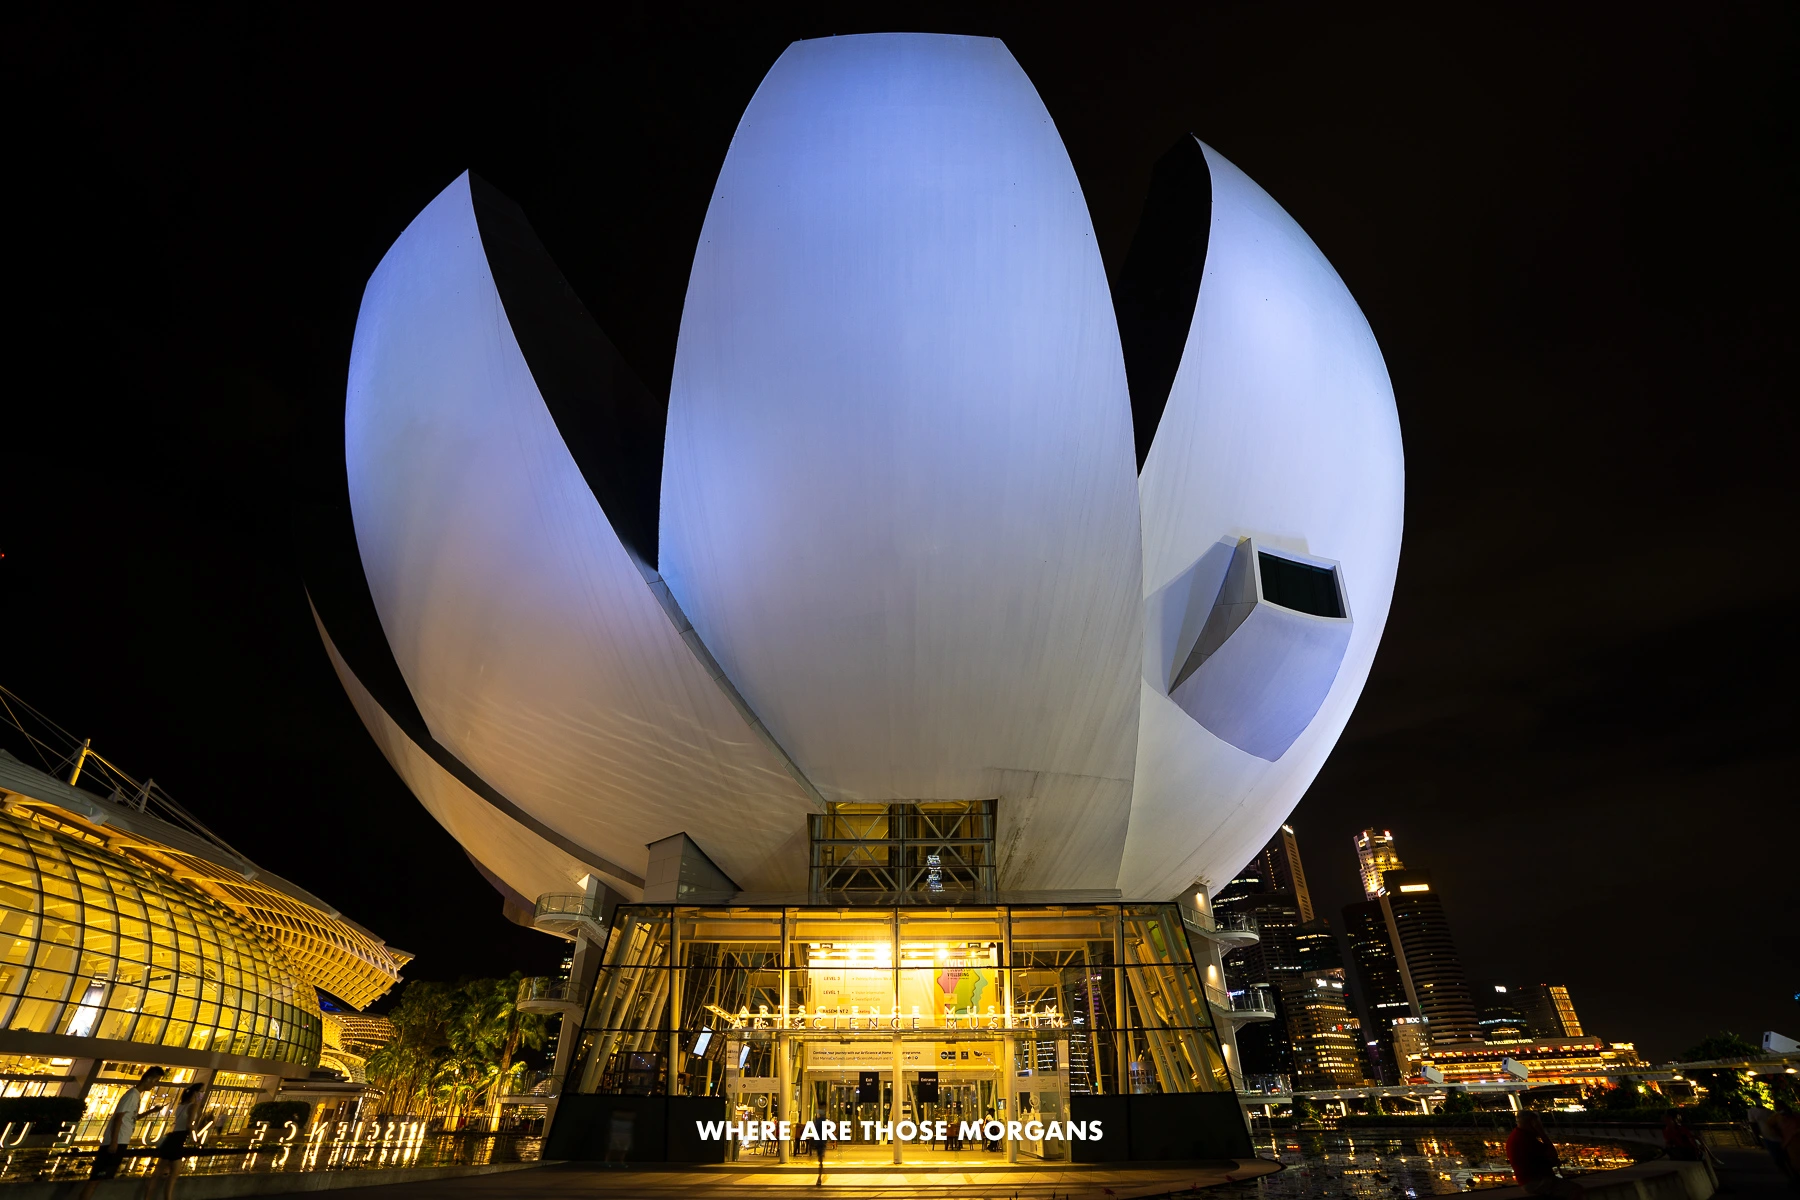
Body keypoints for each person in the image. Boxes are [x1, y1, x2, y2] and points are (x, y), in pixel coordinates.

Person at [78, 1066, 165, 1200]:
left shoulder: (135, 1096)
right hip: (116, 1142)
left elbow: (131, 1118)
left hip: (120, 1141)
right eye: (155, 1081)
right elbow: (118, 1117)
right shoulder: (131, 1095)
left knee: (100, 1178)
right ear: (148, 1079)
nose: (155, 1085)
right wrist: (114, 1142)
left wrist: (151, 1111)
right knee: (96, 1179)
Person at [1505, 1109, 1585, 1199]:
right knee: (1575, 1190)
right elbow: (1552, 1154)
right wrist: (1541, 1132)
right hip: (1535, 1181)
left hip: (1529, 1180)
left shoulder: (1517, 1136)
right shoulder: (1525, 1139)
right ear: (1532, 1122)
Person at [147, 1082, 208, 1200]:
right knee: (174, 1174)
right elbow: (189, 1125)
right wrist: (196, 1137)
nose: (202, 1094)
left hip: (172, 1138)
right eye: (201, 1091)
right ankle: (167, 1198)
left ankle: (148, 1197)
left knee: (158, 1172)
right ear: (195, 1093)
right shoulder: (193, 1105)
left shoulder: (181, 1105)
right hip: (178, 1140)